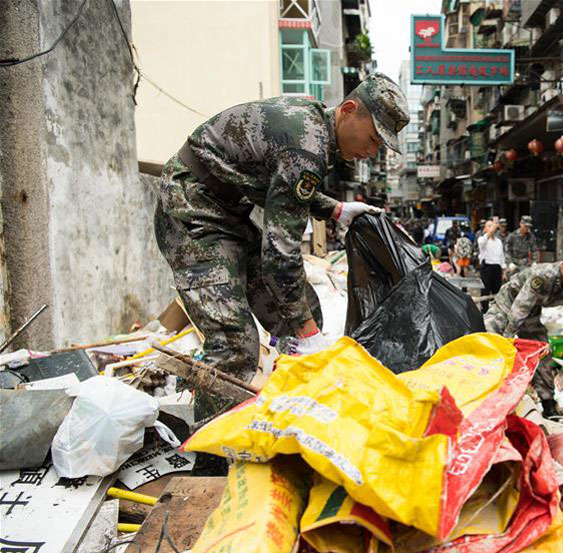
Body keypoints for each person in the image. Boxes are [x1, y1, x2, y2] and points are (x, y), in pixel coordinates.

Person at [155, 72, 408, 423]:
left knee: (302, 310)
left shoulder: (315, 127)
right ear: (349, 110)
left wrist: (335, 209)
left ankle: (293, 412)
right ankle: (208, 448)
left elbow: (281, 188)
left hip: (226, 211)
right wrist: (306, 332)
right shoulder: (307, 145)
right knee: (234, 343)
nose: (371, 151)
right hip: (191, 212)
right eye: (374, 138)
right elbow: (280, 254)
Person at [484, 245, 563, 415]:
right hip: (507, 306)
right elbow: (520, 307)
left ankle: (548, 404)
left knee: (542, 352)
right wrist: (507, 337)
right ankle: (488, 396)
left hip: (532, 313)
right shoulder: (543, 275)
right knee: (491, 345)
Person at [478, 220, 505, 308]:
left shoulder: (498, 241)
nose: (491, 228)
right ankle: (484, 309)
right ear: (485, 229)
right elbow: (482, 242)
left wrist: (504, 271)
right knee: (485, 290)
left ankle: (495, 309)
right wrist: (491, 230)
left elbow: (501, 256)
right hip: (487, 268)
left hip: (497, 268)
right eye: (489, 226)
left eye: (492, 226)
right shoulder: (482, 239)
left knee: (497, 291)